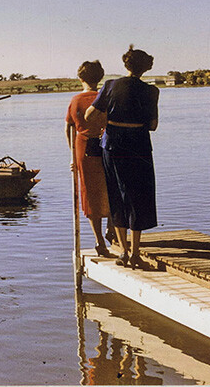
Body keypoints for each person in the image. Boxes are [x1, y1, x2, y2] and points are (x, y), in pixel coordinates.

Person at [85, 45, 159, 269]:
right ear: (146, 68)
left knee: (116, 194)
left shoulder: (110, 85)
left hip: (113, 145)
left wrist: (108, 120)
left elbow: (89, 115)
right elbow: (153, 125)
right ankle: (136, 252)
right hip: (139, 144)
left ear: (126, 65)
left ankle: (123, 253)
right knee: (138, 194)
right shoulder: (151, 91)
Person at [65, 61, 114, 258]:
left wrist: (72, 154)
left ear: (80, 78)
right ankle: (112, 228)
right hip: (106, 145)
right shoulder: (106, 97)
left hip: (83, 147)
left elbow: (69, 128)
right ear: (100, 78)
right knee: (111, 187)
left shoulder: (75, 100)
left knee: (89, 192)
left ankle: (98, 240)